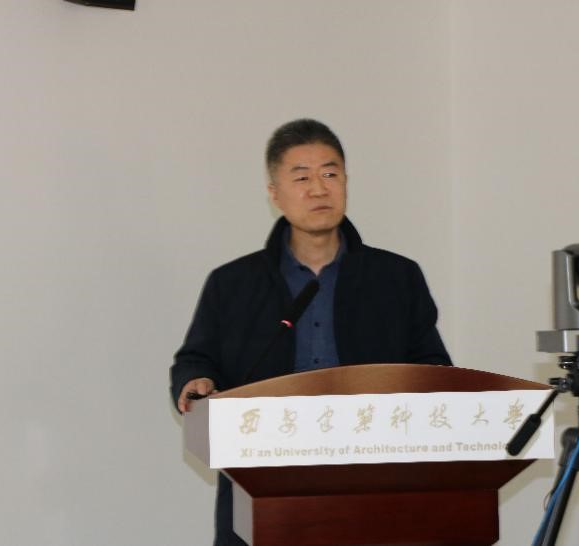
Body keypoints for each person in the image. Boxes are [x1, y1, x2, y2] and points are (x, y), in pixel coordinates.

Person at [170, 118, 452, 546]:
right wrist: (196, 381)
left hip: (373, 481)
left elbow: (431, 364)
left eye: (330, 173)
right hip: (264, 482)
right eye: (302, 177)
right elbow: (196, 360)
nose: (319, 189)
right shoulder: (233, 283)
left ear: (346, 182)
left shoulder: (396, 277)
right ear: (274, 193)